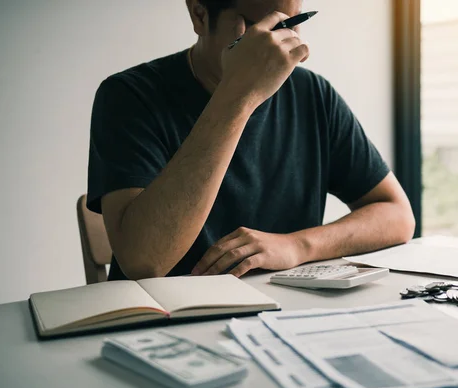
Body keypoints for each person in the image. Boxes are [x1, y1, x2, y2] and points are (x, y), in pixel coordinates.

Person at [87, 0, 415, 281]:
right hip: (164, 325)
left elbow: (396, 216)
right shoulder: (128, 96)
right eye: (265, 30)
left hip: (282, 318)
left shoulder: (313, 95)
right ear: (199, 14)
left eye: (294, 23)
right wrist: (239, 96)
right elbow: (145, 261)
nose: (289, 50)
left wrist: (296, 245)